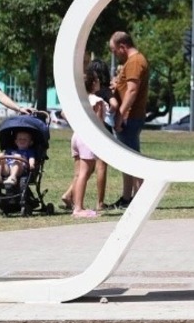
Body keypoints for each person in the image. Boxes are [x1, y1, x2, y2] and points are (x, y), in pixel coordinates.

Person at [108, 31, 149, 210]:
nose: (114, 54)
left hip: (130, 118)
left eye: (114, 50)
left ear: (122, 47)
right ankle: (127, 197)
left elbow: (132, 91)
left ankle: (142, 198)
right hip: (130, 117)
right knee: (128, 159)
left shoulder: (134, 62)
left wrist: (121, 115)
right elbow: (127, 87)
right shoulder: (132, 62)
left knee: (133, 159)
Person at [64, 70, 106, 218]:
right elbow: (99, 122)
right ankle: (79, 209)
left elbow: (63, 113)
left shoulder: (78, 99)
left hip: (76, 136)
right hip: (88, 138)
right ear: (93, 83)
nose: (99, 82)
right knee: (85, 173)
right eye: (98, 80)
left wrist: (76, 125)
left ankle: (75, 204)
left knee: (78, 173)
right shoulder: (97, 101)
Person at [86, 58, 119, 211]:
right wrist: (111, 113)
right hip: (103, 127)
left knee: (86, 166)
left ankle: (69, 194)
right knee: (101, 166)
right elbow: (114, 104)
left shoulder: (86, 91)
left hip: (88, 128)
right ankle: (100, 202)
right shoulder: (105, 90)